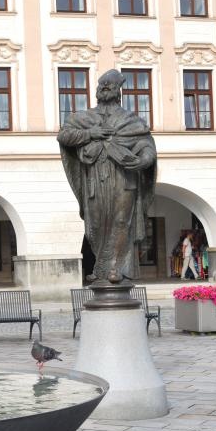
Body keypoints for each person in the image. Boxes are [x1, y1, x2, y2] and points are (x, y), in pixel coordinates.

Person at [58, 69, 157, 282]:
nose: (104, 87)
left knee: (121, 222)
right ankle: (101, 267)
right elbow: (64, 136)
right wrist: (89, 133)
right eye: (101, 84)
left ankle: (115, 268)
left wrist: (144, 160)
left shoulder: (130, 120)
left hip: (124, 179)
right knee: (95, 224)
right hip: (95, 179)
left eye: (109, 84)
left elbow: (146, 145)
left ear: (118, 91)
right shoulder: (85, 118)